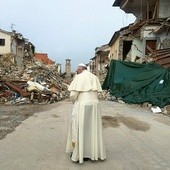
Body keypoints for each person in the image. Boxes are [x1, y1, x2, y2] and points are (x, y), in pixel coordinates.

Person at [66, 63, 106, 163]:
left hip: (82, 105)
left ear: (80, 69)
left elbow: (73, 95)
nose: (76, 71)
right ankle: (92, 153)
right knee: (92, 129)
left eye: (77, 69)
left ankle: (80, 154)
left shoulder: (79, 77)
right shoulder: (94, 77)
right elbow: (97, 92)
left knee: (80, 128)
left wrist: (74, 102)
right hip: (95, 105)